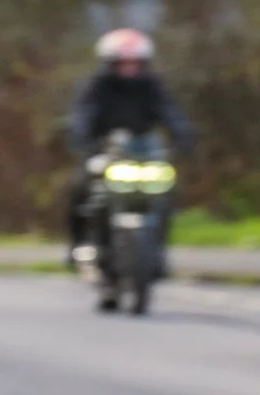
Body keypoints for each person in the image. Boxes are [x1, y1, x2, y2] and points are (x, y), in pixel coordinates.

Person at [65, 29, 197, 264]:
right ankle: (78, 245)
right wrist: (81, 139)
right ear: (110, 63)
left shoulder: (152, 86)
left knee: (164, 196)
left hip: (144, 152)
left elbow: (171, 113)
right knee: (80, 189)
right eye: (123, 62)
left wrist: (184, 137)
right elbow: (83, 115)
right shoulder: (98, 86)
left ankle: (156, 253)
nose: (129, 67)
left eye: (135, 62)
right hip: (104, 150)